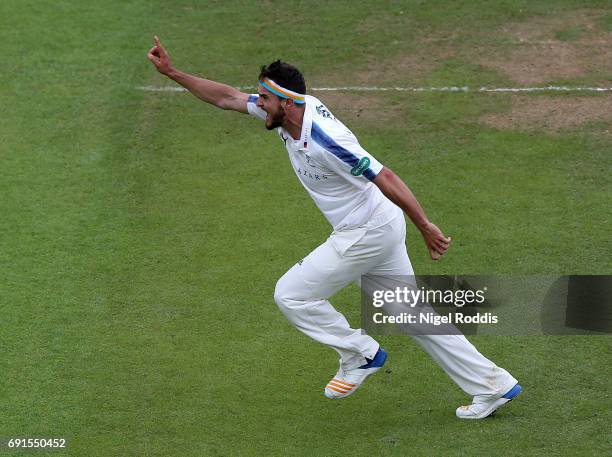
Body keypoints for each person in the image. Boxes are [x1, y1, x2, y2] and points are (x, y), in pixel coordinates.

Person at [147, 36, 521, 419]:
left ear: (287, 103)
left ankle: (361, 354)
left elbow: (384, 174)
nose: (257, 102)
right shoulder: (282, 112)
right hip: (377, 226)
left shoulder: (328, 141)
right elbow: (226, 97)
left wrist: (424, 224)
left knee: (291, 296)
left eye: (264, 97)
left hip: (367, 230)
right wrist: (173, 72)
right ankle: (493, 385)